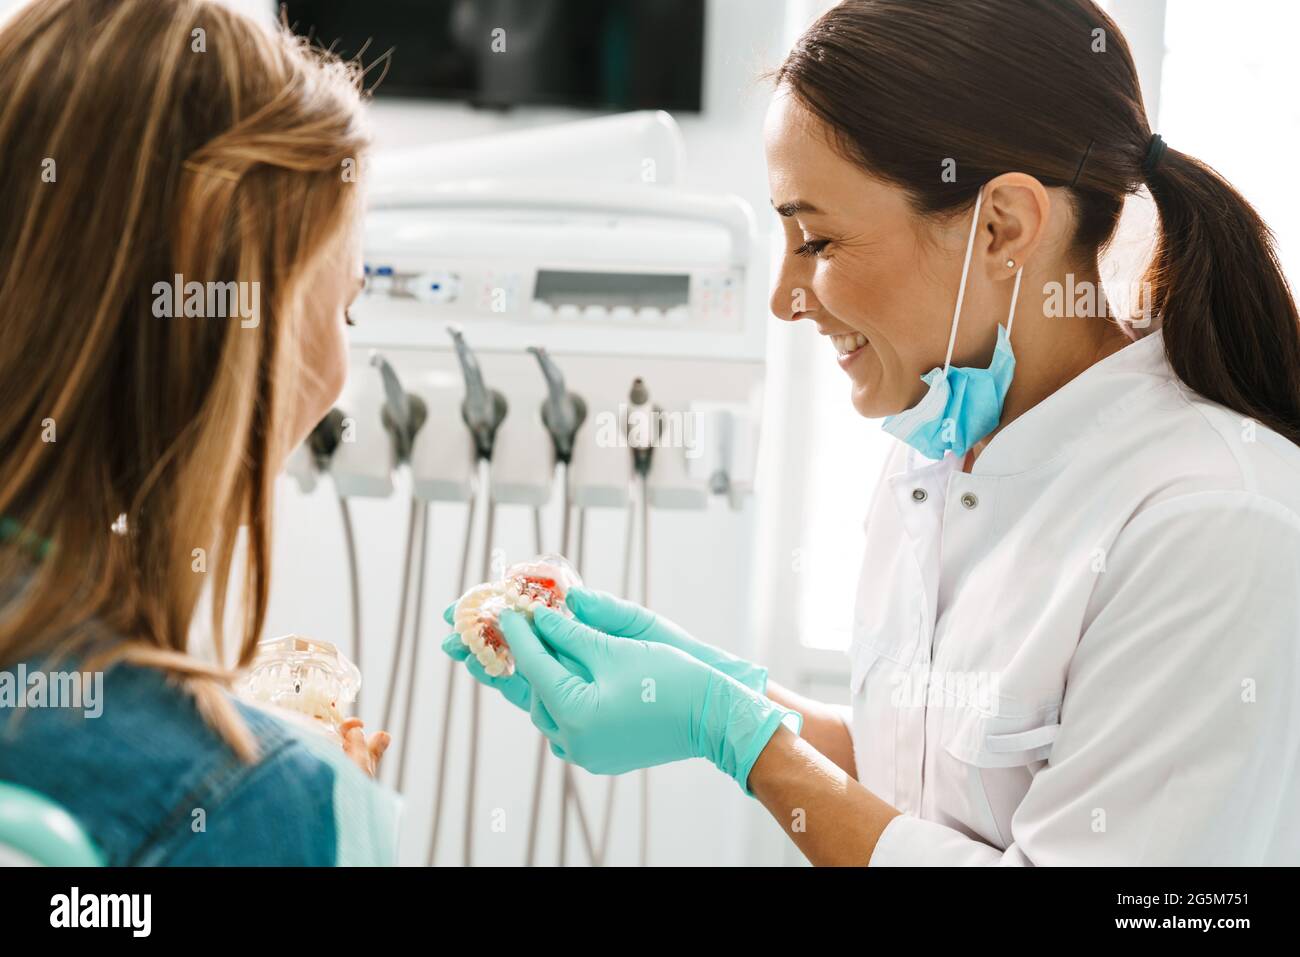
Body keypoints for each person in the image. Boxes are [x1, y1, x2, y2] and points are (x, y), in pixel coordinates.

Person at [444, 0, 1300, 865]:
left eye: (816, 240)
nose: (784, 297)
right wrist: (713, 686)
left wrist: (739, 734)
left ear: (1002, 226)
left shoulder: (1211, 522)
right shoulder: (932, 459)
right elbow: (924, 782)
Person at [0, 0, 389, 865]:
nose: (333, 384)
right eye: (344, 311)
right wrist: (308, 811)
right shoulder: (238, 804)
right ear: (230, 344)